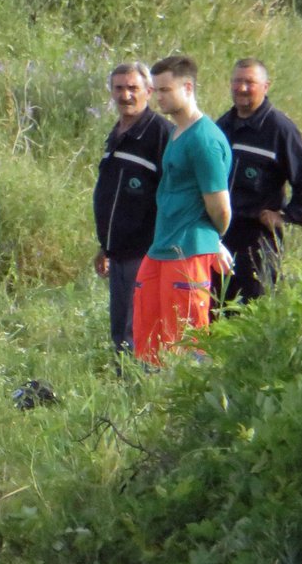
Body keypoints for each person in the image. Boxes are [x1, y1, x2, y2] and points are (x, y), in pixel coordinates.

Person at [132, 56, 233, 366]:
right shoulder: (177, 132)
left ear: (187, 87)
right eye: (156, 90)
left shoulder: (204, 139)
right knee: (149, 334)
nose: (158, 97)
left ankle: (191, 407)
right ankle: (152, 399)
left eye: (165, 90)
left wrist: (212, 241)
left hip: (189, 251)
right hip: (162, 246)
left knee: (186, 340)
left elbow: (220, 206)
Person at [214, 58, 302, 307]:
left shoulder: (279, 129)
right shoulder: (223, 126)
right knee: (216, 312)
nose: (242, 88)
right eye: (237, 81)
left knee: (253, 311)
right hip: (221, 235)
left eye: (250, 82)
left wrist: (287, 216)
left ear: (266, 86)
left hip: (257, 240)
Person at [92, 62, 171, 354]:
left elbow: (173, 194)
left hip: (146, 251)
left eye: (133, 88)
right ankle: (124, 385)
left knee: (136, 330)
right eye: (119, 88)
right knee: (121, 328)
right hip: (119, 251)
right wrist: (105, 246)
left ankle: (136, 390)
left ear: (148, 91)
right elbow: (113, 197)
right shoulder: (117, 133)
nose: (125, 95)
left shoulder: (161, 134)